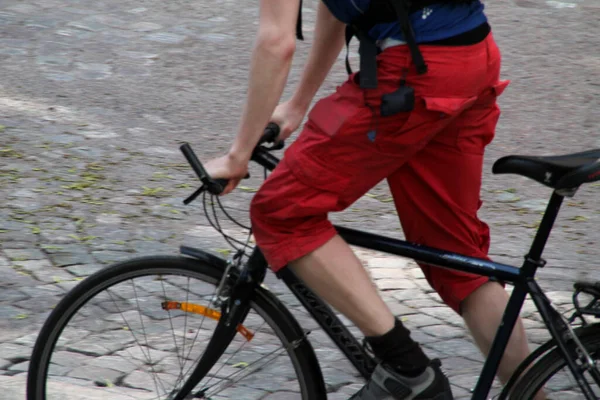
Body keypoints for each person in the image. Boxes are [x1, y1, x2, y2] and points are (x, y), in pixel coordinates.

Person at [205, 1, 541, 398]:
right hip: (471, 56)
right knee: (456, 256)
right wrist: (298, 103)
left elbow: (277, 42)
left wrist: (237, 156)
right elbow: (338, 6)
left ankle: (409, 371)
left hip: (413, 74)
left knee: (281, 211)